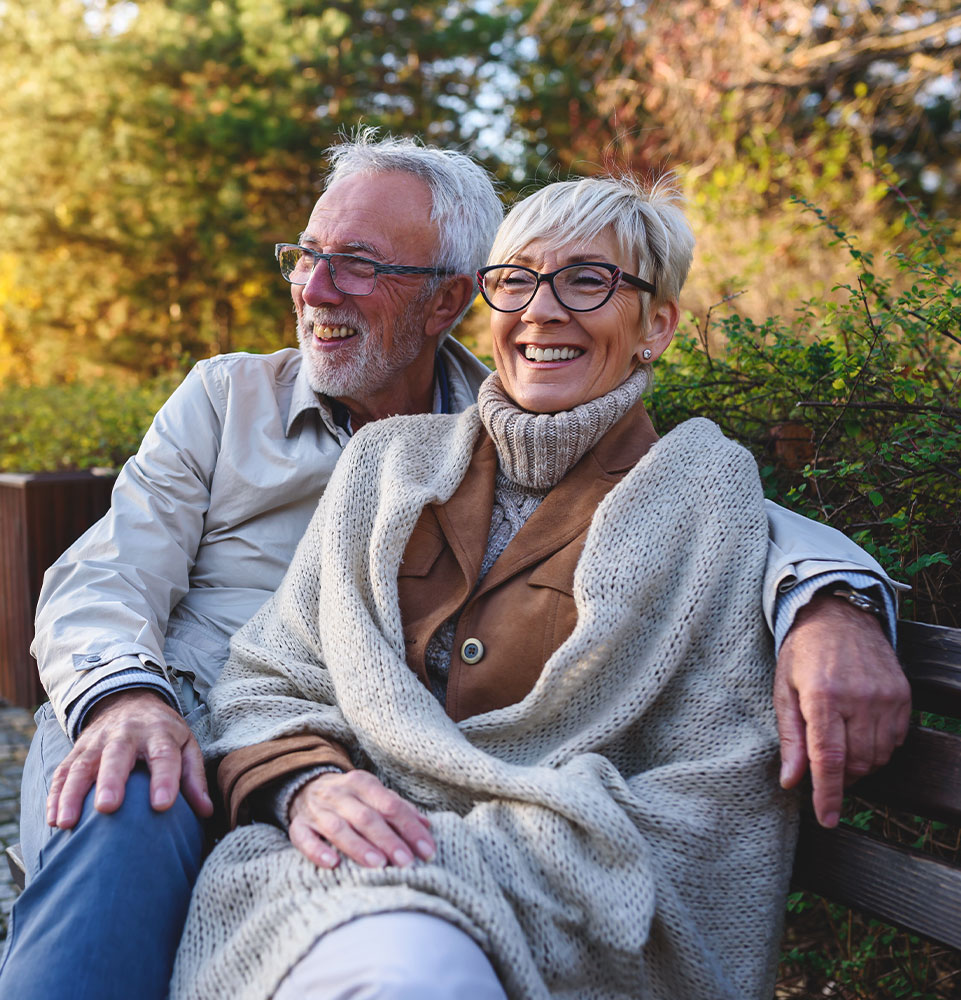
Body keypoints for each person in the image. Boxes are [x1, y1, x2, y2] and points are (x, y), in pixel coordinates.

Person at [0, 136, 906, 997]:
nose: (316, 287)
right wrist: (127, 697)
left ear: (445, 302)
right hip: (175, 717)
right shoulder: (238, 402)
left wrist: (833, 601)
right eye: (305, 255)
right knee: (127, 804)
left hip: (348, 787)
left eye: (358, 262)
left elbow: (702, 502)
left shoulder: (525, 430)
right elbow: (107, 575)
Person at [172, 172, 814, 999]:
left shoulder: (703, 492)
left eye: (588, 280)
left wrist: (448, 852)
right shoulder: (385, 463)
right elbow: (270, 675)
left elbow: (716, 782)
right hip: (326, 869)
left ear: (656, 324)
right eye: (515, 280)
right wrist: (309, 782)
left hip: (557, 897)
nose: (543, 310)